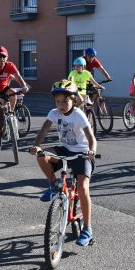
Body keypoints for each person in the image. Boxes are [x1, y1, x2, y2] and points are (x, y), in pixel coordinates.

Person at [29, 80, 97, 246]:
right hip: (64, 151)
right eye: (58, 101)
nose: (61, 104)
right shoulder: (54, 113)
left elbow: (91, 138)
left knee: (82, 189)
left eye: (65, 101)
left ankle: (87, 229)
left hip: (82, 153)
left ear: (74, 100)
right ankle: (53, 185)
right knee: (42, 156)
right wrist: (37, 146)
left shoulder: (78, 115)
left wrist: (91, 150)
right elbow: (43, 130)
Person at [0, 46, 30, 149]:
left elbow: (18, 76)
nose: (2, 58)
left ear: (7, 57)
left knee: (13, 92)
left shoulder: (10, 65)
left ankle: (11, 114)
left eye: (4, 56)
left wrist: (24, 86)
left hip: (4, 89)